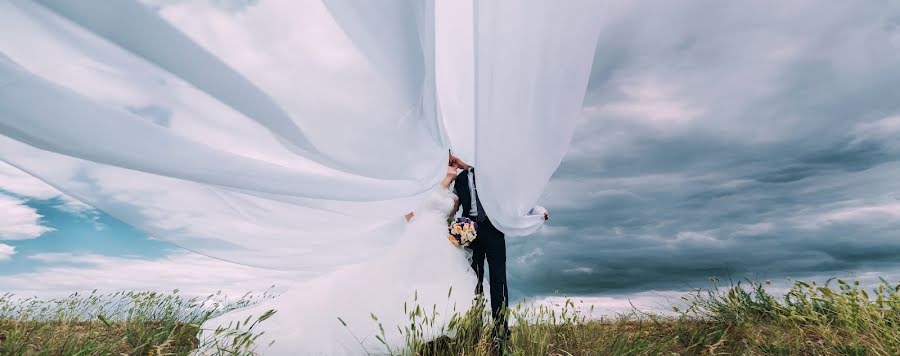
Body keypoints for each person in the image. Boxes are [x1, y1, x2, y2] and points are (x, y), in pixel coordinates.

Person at [199, 156, 478, 355]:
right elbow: (408, 213)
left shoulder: (454, 195)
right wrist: (445, 177)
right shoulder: (423, 186)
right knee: (397, 284)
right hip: (416, 237)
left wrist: (458, 227)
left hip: (441, 242)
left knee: (433, 288)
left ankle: (427, 341)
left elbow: (452, 212)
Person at [449, 154, 548, 353]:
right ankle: (474, 330)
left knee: (498, 282)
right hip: (470, 233)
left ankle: (500, 333)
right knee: (473, 282)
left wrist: (537, 211)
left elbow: (516, 198)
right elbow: (454, 206)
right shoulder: (459, 179)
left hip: (494, 231)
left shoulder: (493, 175)